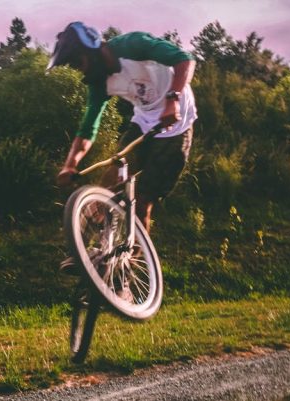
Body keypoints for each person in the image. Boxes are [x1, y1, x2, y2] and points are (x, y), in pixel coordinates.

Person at [47, 21, 197, 273]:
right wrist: (70, 165)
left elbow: (185, 60)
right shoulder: (98, 84)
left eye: (77, 63)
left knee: (142, 201)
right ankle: (85, 253)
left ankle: (130, 266)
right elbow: (87, 129)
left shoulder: (133, 45)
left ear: (91, 50)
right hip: (144, 123)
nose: (78, 71)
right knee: (108, 184)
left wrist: (173, 100)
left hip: (176, 125)